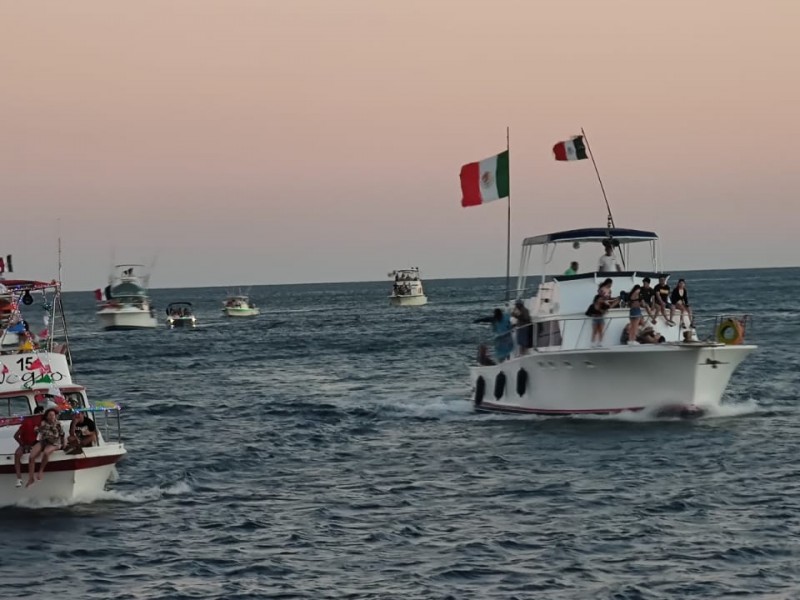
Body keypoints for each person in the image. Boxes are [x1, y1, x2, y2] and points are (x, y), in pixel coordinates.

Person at [26, 407, 65, 486]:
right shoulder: (43, 423)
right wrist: (41, 426)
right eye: (50, 415)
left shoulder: (58, 424)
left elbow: (62, 434)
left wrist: (63, 444)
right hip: (44, 441)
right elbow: (36, 430)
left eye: (53, 415)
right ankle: (31, 478)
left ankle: (41, 471)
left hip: (54, 443)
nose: (52, 416)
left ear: (55, 416)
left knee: (46, 452)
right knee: (31, 456)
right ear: (47, 416)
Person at [13, 405, 44, 488]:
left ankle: (30, 478)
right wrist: (23, 445)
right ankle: (19, 478)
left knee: (32, 455)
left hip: (36, 444)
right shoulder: (27, 422)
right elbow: (16, 436)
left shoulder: (44, 423)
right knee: (17, 455)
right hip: (26, 444)